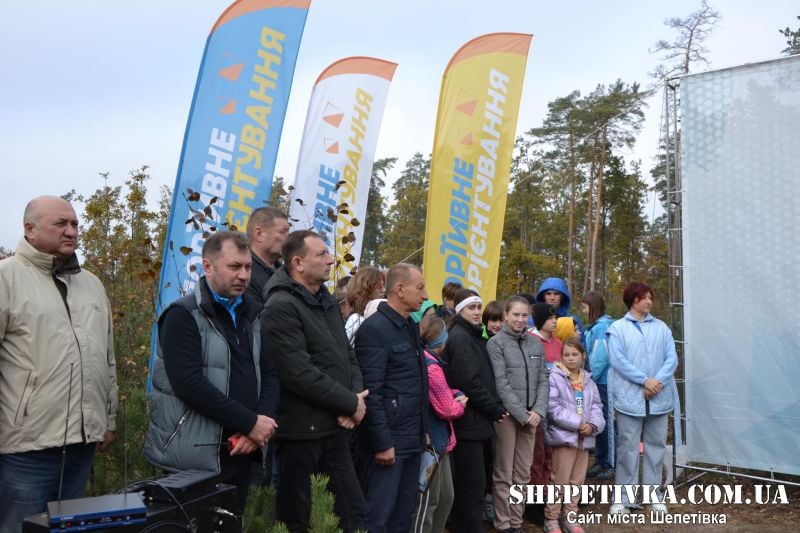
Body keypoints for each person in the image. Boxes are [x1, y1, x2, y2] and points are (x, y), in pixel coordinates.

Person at [0, 196, 118, 530]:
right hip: (25, 447)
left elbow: (106, 358)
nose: (71, 232)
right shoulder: (5, 279)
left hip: (82, 444)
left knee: (71, 528)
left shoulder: (92, 283)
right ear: (29, 229)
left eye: (75, 224)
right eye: (61, 224)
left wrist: (106, 419)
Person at [144, 231, 278, 510]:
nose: (243, 275)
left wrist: (257, 427)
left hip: (241, 447)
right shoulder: (182, 315)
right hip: (195, 456)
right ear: (207, 266)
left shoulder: (255, 314)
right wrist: (250, 423)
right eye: (234, 266)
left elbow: (270, 373)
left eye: (248, 267)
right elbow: (189, 384)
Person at [261, 230, 367, 532]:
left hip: (334, 427)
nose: (331, 260)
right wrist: (349, 403)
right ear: (298, 262)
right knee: (299, 519)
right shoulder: (281, 306)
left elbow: (347, 354)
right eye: (321, 254)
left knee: (353, 515)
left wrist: (356, 398)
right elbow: (298, 372)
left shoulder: (327, 302)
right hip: (301, 435)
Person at [355, 263, 428, 533]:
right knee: (378, 517)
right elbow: (371, 393)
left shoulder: (410, 327)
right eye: (419, 287)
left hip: (412, 440)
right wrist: (382, 443)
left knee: (403, 516)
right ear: (399, 289)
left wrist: (423, 431)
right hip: (390, 444)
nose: (424, 295)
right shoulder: (374, 330)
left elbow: (415, 384)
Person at [607, 282, 677, 515]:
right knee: (627, 448)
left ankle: (652, 494)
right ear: (632, 300)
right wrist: (644, 381)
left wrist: (655, 382)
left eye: (650, 297)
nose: (648, 301)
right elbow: (618, 361)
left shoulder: (661, 328)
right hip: (630, 397)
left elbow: (671, 359)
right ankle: (623, 497)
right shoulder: (617, 328)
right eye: (643, 298)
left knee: (656, 447)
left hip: (659, 396)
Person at [444, 289, 506, 533]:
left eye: (479, 307)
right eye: (472, 307)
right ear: (460, 310)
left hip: (478, 422)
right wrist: (494, 409)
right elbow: (468, 382)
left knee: (474, 484)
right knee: (472, 485)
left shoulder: (473, 336)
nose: (478, 312)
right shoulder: (460, 338)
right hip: (469, 423)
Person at [488, 297, 549, 533]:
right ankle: (503, 524)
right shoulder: (496, 344)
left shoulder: (535, 344)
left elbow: (544, 379)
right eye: (516, 315)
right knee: (504, 474)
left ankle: (516, 522)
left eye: (525, 316)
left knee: (523, 473)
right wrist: (522, 414)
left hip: (532, 416)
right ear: (505, 315)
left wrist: (538, 411)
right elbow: (501, 383)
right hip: (507, 417)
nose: (520, 320)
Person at [410, 315, 466, 533]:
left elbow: (441, 393)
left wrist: (455, 393)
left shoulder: (426, 360)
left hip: (440, 444)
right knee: (428, 501)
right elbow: (447, 409)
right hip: (431, 444)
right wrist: (462, 403)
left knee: (446, 497)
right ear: (442, 340)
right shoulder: (432, 367)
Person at [544, 339, 605, 533]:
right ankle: (551, 519)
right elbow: (552, 408)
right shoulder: (555, 377)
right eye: (567, 355)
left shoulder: (588, 380)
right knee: (559, 480)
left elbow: (596, 406)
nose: (570, 359)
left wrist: (593, 425)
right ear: (561, 357)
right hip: (564, 438)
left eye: (575, 355)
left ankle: (571, 517)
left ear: (583, 356)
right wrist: (578, 424)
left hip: (584, 439)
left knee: (577, 481)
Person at [581, 291, 615, 480]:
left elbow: (601, 356)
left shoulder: (601, 328)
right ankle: (601, 461)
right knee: (598, 421)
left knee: (606, 421)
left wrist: (591, 376)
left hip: (602, 382)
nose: (583, 309)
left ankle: (610, 463)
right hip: (597, 380)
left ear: (592, 306)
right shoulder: (595, 327)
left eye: (585, 306)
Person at [245, 206, 289, 307]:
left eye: (288, 232)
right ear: (259, 234)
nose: (288, 238)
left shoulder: (286, 273)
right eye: (282, 232)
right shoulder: (244, 274)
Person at [345, 266, 386, 346]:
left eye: (383, 286)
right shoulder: (356, 319)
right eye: (379, 287)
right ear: (366, 289)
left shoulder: (383, 315)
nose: (384, 290)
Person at [535, 278, 584, 343]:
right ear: (543, 296)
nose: (552, 298)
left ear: (562, 296)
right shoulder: (533, 320)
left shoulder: (573, 320)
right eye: (548, 294)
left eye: (556, 294)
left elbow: (582, 348)